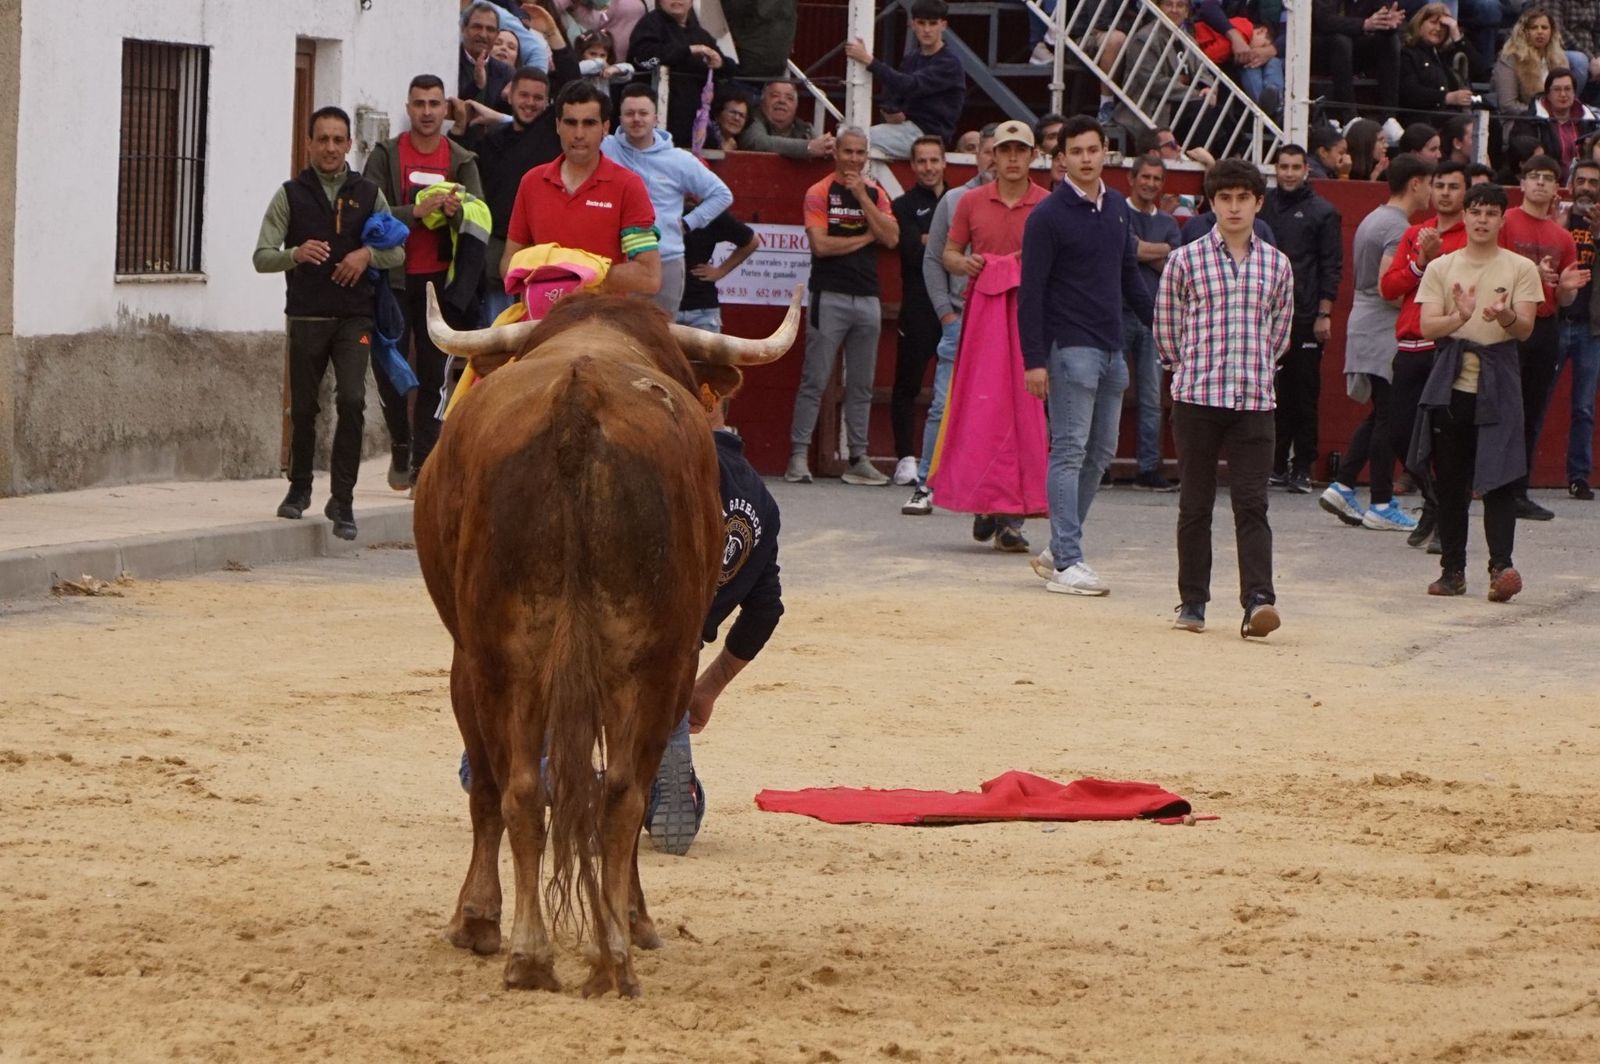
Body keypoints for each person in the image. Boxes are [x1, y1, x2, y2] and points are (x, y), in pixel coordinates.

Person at [644, 366, 784, 855]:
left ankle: (543, 759)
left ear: (703, 399)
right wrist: (708, 686)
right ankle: (668, 753)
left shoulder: (658, 465)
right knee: (657, 704)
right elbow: (766, 609)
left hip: (604, 637)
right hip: (673, 667)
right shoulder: (762, 500)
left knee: (490, 764)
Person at [252, 107, 405, 539]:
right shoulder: (290, 194)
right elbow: (261, 256)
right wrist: (295, 254)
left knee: (353, 401)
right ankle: (299, 489)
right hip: (306, 316)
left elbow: (398, 251)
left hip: (354, 317)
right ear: (309, 144)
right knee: (304, 407)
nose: (332, 148)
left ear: (350, 143)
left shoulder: (368, 192)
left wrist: (366, 255)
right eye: (323, 139)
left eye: (339, 140)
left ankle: (344, 500)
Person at [1156, 159, 1294, 637]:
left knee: (1252, 504)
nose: (1234, 207)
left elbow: (1280, 334)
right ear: (1211, 203)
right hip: (1197, 397)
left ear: (1258, 202)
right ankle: (1192, 602)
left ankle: (1259, 600)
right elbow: (1167, 332)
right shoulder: (1185, 260)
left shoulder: (1277, 264)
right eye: (1225, 198)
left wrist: (1253, 367)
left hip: (1254, 399)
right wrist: (1191, 370)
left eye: (1243, 198)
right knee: (1194, 503)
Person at [1018, 116, 1155, 596]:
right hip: (1068, 347)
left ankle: (1059, 548)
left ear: (1105, 153)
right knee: (1071, 449)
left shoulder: (1117, 206)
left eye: (1092, 150)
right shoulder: (1047, 217)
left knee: (1100, 453)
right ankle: (1067, 561)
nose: (1085, 158)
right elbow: (1030, 293)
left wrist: (1162, 325)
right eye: (1075, 152)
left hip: (1112, 346)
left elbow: (1128, 276)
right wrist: (1034, 361)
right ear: (1062, 160)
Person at [1413, 181, 1543, 600]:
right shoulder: (1441, 267)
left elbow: (1524, 329)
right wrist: (1460, 316)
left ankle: (1500, 568)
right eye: (1476, 211)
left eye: (1491, 213)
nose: (1483, 219)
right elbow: (1426, 326)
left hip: (1500, 379)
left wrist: (1504, 316)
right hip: (1453, 382)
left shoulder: (1520, 268)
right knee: (1451, 480)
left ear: (1502, 219)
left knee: (1502, 477)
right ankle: (1452, 570)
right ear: (1464, 217)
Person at [929, 120, 1050, 552]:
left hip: (1030, 314)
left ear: (1033, 155)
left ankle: (1010, 515)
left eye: (1021, 150)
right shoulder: (971, 201)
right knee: (984, 408)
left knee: (1023, 410)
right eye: (1005, 151)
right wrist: (967, 265)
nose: (1013, 158)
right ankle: (988, 505)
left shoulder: (1046, 205)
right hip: (981, 315)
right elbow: (947, 252)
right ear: (991, 156)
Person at [364, 75, 487, 492]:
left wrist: (454, 212)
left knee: (436, 377)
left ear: (445, 109)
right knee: (388, 368)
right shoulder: (385, 154)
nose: (428, 112)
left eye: (435, 104)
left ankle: (423, 463)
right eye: (420, 104)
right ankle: (399, 443)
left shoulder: (461, 159)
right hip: (391, 282)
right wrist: (415, 213)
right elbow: (369, 216)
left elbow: (479, 219)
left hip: (440, 284)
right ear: (408, 107)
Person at [1320, 153, 1434, 532]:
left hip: (1366, 324)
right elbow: (1389, 287)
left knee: (1381, 413)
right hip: (1382, 327)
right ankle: (1382, 502)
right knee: (1390, 417)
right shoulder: (1397, 228)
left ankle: (1344, 483)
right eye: (1430, 183)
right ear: (1416, 183)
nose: (1433, 191)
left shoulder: (1375, 217)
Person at [786, 127, 900, 486]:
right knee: (814, 378)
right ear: (836, 153)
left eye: (859, 153)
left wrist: (861, 199)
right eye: (847, 152)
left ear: (866, 157)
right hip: (829, 295)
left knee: (862, 384)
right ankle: (797, 457)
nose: (852, 159)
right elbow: (820, 246)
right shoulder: (818, 191)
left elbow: (893, 238)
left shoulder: (875, 193)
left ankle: (858, 457)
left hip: (867, 296)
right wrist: (868, 236)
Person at [903, 124, 997, 516]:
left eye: (1004, 151)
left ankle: (991, 493)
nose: (994, 159)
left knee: (998, 407)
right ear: (976, 155)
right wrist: (946, 312)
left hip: (1004, 320)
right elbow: (933, 259)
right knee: (943, 404)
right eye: (988, 151)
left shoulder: (1031, 202)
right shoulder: (957, 199)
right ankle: (926, 484)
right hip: (962, 314)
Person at [1381, 158, 1471, 552]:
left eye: (1454, 186)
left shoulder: (1473, 238)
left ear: (1464, 192)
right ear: (1430, 190)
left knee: (1444, 438)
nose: (1446, 193)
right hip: (1409, 346)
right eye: (1441, 186)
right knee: (1399, 432)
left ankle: (1443, 514)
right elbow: (1388, 287)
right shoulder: (1415, 234)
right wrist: (1421, 261)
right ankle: (1433, 502)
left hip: (1447, 348)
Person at [502, 80, 662, 296]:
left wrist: (578, 277)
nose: (578, 134)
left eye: (589, 123)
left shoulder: (628, 186)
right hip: (543, 321)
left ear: (605, 128)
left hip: (603, 323)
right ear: (558, 125)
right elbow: (508, 265)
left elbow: (649, 276)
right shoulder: (532, 181)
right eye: (570, 122)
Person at [1498, 153, 1585, 520]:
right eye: (1533, 176)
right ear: (1522, 183)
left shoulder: (1562, 237)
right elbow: (1492, 268)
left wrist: (1566, 288)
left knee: (1531, 410)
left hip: (1545, 323)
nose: (1539, 183)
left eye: (1547, 178)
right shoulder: (1505, 222)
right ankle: (1488, 484)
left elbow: (1565, 296)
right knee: (1501, 406)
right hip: (1507, 321)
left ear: (1556, 187)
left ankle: (1518, 490)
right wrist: (1530, 272)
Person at [601, 84, 733, 316]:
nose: (636, 119)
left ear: (656, 118)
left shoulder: (678, 160)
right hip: (615, 263)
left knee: (657, 340)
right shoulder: (605, 149)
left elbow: (722, 194)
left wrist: (688, 223)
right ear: (619, 118)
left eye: (643, 113)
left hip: (666, 262)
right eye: (630, 114)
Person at [475, 47, 582, 323]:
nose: (530, 103)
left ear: (549, 104)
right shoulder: (490, 142)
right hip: (498, 245)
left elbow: (572, 82)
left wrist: (554, 39)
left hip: (544, 246)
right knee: (498, 332)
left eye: (538, 98)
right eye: (524, 95)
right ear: (509, 94)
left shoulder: (550, 132)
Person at [1261, 144, 1343, 493]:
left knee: (1304, 394)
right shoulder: (1261, 205)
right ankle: (1276, 464)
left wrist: (1324, 313)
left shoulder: (1324, 212)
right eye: (1284, 166)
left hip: (1306, 315)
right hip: (1265, 315)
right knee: (1271, 393)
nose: (1290, 173)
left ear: (1306, 170)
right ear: (1275, 169)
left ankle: (1303, 466)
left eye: (1296, 167)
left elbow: (1331, 266)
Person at [889, 136, 948, 486]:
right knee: (906, 385)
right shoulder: (903, 204)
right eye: (921, 161)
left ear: (944, 162)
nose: (928, 167)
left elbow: (935, 244)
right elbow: (912, 250)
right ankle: (905, 459)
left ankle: (945, 459)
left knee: (954, 389)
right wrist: (942, 241)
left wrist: (930, 239)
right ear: (912, 166)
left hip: (955, 309)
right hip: (917, 307)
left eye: (933, 161)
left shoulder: (960, 200)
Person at [1124, 154, 1182, 491]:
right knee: (1109, 390)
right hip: (1118, 310)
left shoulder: (1169, 223)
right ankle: (1099, 464)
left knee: (1150, 394)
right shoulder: (1119, 212)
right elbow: (1124, 250)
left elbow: (1172, 266)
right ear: (1132, 178)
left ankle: (1148, 468)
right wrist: (1156, 251)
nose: (1150, 184)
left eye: (1156, 179)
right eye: (1145, 177)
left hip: (1154, 317)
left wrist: (1140, 251)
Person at [843, 0, 966, 158]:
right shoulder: (911, 58)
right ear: (912, 24)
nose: (927, 30)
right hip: (906, 129)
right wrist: (891, 111)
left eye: (933, 23)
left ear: (943, 25)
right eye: (921, 23)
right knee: (850, 139)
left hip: (929, 136)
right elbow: (895, 95)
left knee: (854, 141)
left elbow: (910, 85)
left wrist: (869, 61)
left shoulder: (949, 63)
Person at [628, 0, 738, 150]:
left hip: (697, 124)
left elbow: (730, 68)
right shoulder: (650, 24)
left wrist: (721, 64)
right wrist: (688, 50)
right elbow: (643, 57)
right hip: (658, 124)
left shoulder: (700, 34)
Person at [1555, 158, 1600, 500]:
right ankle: (1518, 475)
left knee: (1584, 407)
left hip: (1590, 327)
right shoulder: (1557, 217)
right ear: (1570, 183)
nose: (1586, 187)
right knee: (1535, 401)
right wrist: (1556, 229)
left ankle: (1578, 476)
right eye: (1581, 180)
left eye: (1593, 182)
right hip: (1555, 322)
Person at [1312, 0, 1404, 122]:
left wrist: (1388, 22)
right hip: (1321, 52)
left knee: (1390, 41)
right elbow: (1324, 20)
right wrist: (1363, 24)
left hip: (1353, 50)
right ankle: (1349, 116)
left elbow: (1379, 18)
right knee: (1341, 41)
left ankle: (1389, 118)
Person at [676, 206, 760, 331]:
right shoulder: (661, 209)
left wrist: (720, 271)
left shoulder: (710, 212)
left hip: (701, 310)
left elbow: (751, 242)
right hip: (663, 309)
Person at [1398, 3, 1486, 120]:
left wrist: (1457, 37)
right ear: (1419, 25)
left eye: (1444, 26)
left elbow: (1480, 71)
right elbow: (1410, 92)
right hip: (1426, 119)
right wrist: (1446, 98)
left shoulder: (1447, 54)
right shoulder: (1408, 53)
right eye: (1433, 23)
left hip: (1456, 118)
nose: (1438, 29)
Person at [1492, 8, 1579, 120]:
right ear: (1523, 31)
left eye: (1544, 27)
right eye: (1534, 28)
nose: (1540, 32)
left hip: (1556, 121)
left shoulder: (1560, 59)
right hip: (1522, 123)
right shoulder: (1509, 58)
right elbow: (1508, 105)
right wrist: (1543, 113)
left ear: (1551, 31)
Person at [1520, 70, 1600, 174]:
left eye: (1567, 89)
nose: (1563, 94)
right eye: (1557, 89)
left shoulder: (1591, 121)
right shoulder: (1529, 120)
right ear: (1548, 94)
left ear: (1574, 93)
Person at [739, 80, 835, 160]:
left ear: (796, 106)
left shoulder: (805, 129)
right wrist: (808, 147)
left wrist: (830, 146)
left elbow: (820, 146)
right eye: (775, 95)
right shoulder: (751, 120)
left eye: (789, 98)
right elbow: (758, 142)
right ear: (762, 100)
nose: (782, 101)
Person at [461, 2, 518, 114]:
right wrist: (477, 86)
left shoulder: (507, 73)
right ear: (463, 29)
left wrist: (507, 100)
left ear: (497, 34)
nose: (483, 34)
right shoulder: (450, 63)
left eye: (490, 29)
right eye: (477, 27)